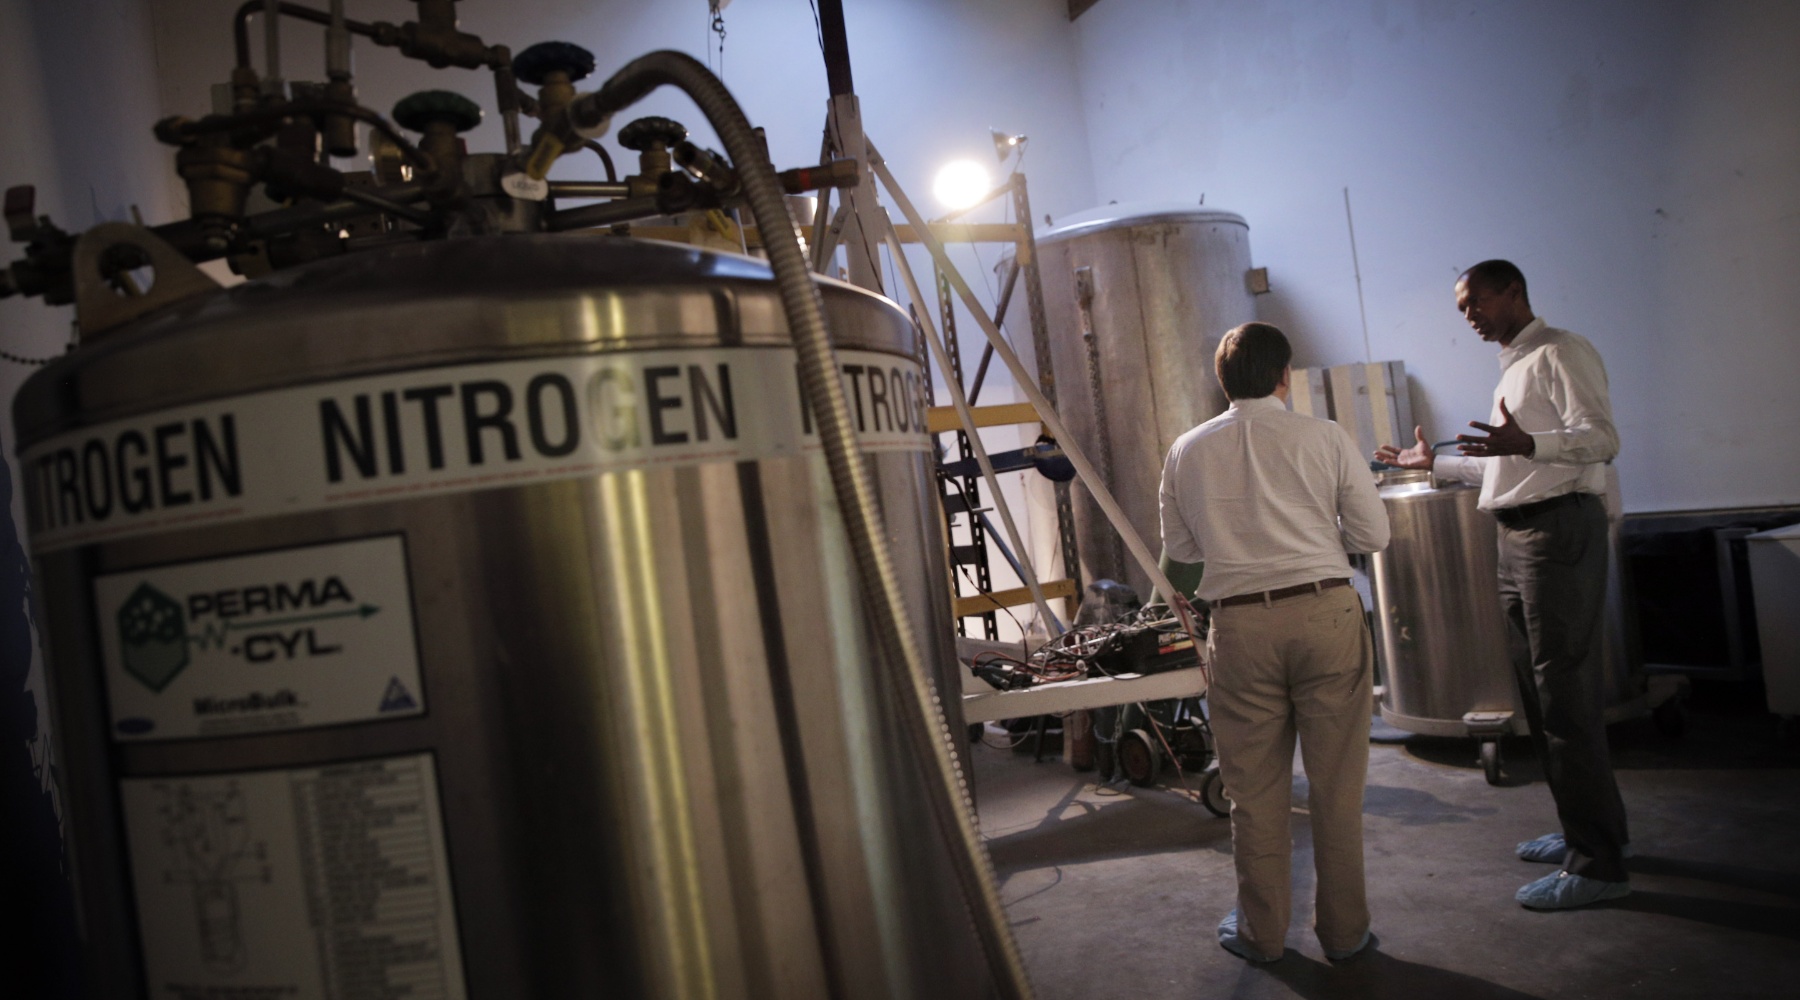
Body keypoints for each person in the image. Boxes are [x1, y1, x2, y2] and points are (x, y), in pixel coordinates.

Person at [1376, 259, 1630, 910]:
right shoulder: (1514, 367)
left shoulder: (1560, 352)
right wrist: (1432, 463)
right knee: (1541, 698)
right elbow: (1507, 469)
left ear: (1513, 291)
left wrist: (1531, 442)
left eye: (1476, 302)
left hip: (1557, 531)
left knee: (1565, 697)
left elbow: (1602, 439)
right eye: (1462, 309)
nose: (1469, 316)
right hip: (1518, 535)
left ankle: (1598, 864)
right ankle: (1583, 832)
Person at [1160, 322, 1389, 963]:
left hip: (1240, 628)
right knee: (1336, 788)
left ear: (1222, 381)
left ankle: (1262, 936)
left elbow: (1182, 550)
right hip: (1325, 616)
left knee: (1255, 795)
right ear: (1285, 376)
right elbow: (1372, 536)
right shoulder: (1326, 437)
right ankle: (1344, 935)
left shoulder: (1186, 450)